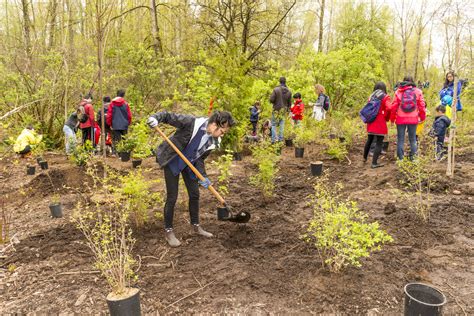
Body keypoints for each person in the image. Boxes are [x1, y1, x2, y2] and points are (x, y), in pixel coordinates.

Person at [146, 110, 236, 247]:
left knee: (195, 194)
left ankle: (196, 226)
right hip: (173, 160)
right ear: (215, 125)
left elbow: (199, 160)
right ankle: (169, 231)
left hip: (190, 165)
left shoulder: (213, 141)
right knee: (172, 197)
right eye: (222, 131)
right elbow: (169, 116)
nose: (222, 135)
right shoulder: (191, 122)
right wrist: (155, 118)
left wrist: (203, 177)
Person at [390, 76, 426, 160]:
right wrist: (422, 117)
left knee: (400, 139)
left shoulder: (398, 91)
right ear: (413, 81)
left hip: (400, 118)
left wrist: (392, 119)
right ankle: (414, 159)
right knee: (413, 139)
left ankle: (400, 159)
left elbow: (394, 107)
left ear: (403, 81)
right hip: (413, 118)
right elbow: (422, 106)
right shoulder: (418, 91)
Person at [363, 82, 391, 168]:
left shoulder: (371, 96)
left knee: (369, 139)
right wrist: (386, 117)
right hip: (380, 122)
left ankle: (364, 158)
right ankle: (374, 163)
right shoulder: (385, 97)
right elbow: (389, 108)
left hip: (371, 121)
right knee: (379, 142)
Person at [106, 89, 132, 154]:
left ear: (117, 94)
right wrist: (128, 122)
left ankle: (118, 153)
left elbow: (109, 115)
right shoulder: (125, 104)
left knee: (117, 140)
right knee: (125, 139)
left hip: (115, 125)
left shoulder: (112, 104)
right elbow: (129, 115)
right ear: (123, 95)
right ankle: (125, 153)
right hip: (124, 124)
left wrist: (109, 124)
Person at [269, 76, 292, 143]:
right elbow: (289, 103)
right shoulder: (289, 92)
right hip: (283, 111)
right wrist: (288, 111)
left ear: (279, 81)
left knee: (273, 124)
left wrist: (275, 102)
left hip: (276, 109)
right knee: (282, 124)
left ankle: (274, 140)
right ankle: (280, 140)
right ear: (285, 82)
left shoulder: (276, 89)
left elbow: (271, 99)